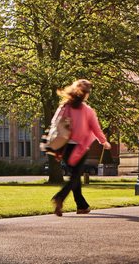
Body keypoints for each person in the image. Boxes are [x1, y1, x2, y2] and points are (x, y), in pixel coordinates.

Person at [51, 79, 110, 216]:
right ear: (86, 94)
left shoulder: (65, 106)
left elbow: (55, 123)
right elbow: (96, 128)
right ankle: (59, 197)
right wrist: (104, 142)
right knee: (75, 176)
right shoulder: (87, 110)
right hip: (79, 148)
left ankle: (81, 206)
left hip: (65, 147)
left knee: (75, 176)